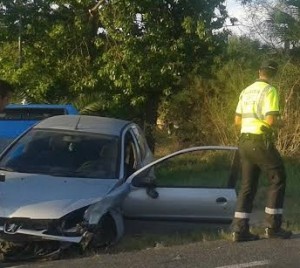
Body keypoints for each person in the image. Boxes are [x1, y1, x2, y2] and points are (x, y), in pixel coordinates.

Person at [231, 60, 292, 242]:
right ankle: (272, 227)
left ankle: (239, 230)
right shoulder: (270, 90)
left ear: (259, 72)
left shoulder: (246, 91)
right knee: (278, 178)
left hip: (244, 142)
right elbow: (270, 121)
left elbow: (237, 121)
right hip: (260, 141)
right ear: (273, 74)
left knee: (247, 186)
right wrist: (281, 124)